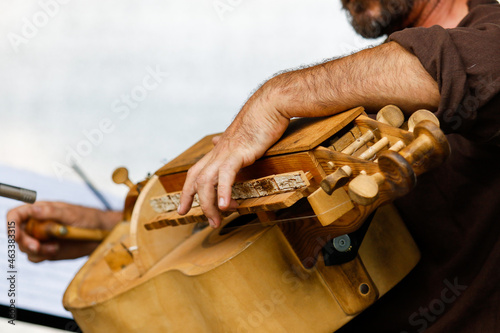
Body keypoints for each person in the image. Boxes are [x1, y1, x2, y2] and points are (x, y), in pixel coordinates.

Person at [8, 0, 499, 331]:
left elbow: (475, 64)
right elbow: (265, 227)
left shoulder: (487, 31)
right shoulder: (355, 89)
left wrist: (277, 96)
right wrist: (106, 229)